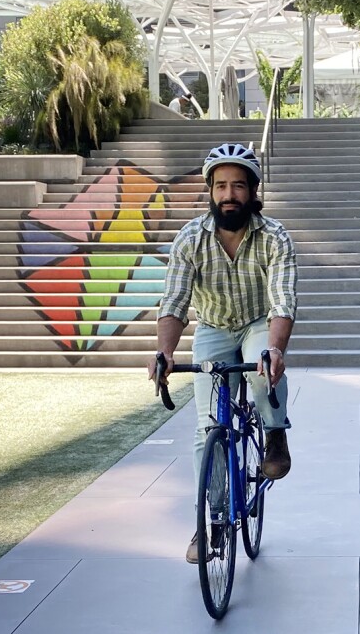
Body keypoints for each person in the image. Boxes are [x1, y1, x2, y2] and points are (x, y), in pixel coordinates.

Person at [147, 142, 297, 564]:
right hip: (212, 326)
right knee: (205, 430)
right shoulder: (190, 239)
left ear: (252, 191)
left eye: (238, 186)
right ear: (210, 191)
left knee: (260, 369)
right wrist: (164, 353)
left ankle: (274, 432)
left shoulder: (274, 237)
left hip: (256, 323)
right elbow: (174, 302)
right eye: (220, 186)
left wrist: (273, 349)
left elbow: (283, 300)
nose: (229, 194)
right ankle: (209, 522)